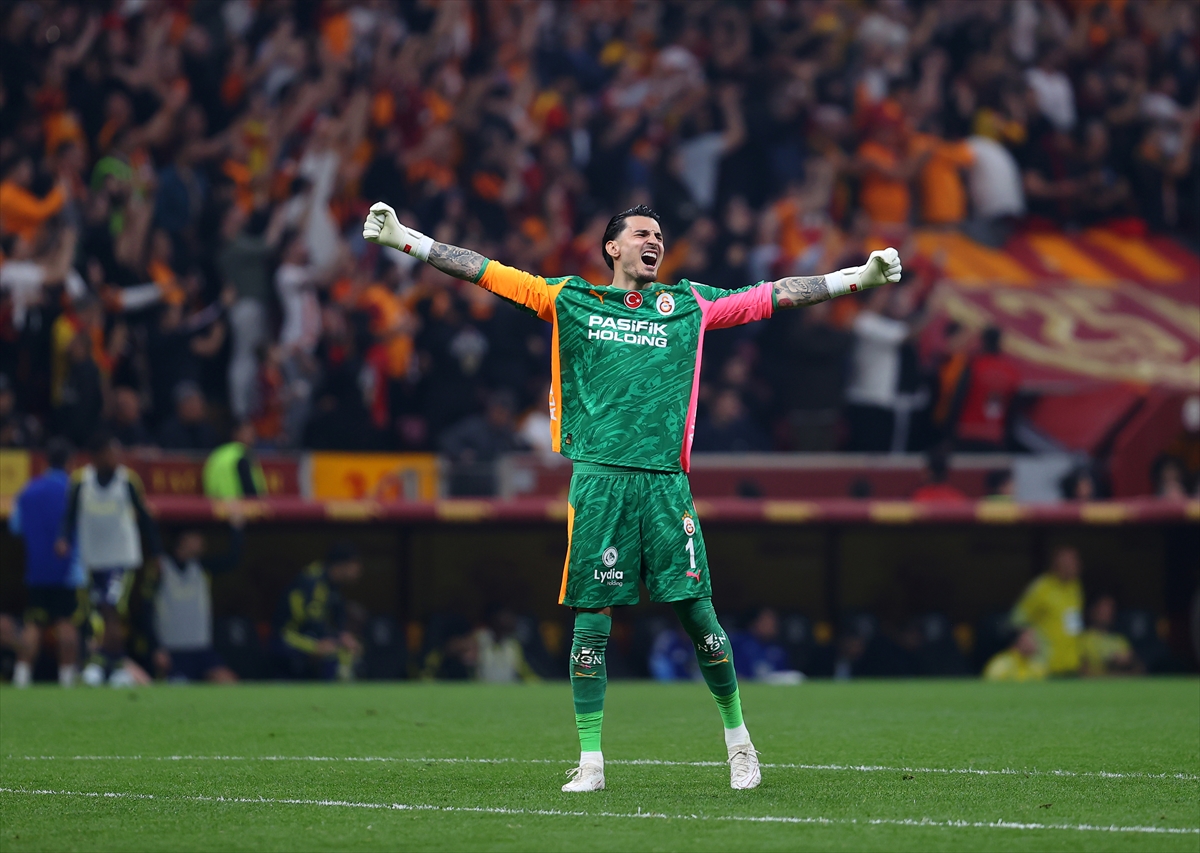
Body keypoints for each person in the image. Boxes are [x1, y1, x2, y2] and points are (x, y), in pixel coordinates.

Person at [364, 200, 903, 792]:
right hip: (598, 482)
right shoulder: (571, 299)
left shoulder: (688, 305)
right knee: (591, 621)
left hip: (665, 483)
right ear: (612, 248)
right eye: (642, 233)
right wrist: (404, 239)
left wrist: (858, 277)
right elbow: (485, 270)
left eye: (660, 236)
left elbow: (773, 294)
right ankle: (591, 763)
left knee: (699, 616)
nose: (655, 242)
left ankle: (741, 746)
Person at [56, 429, 163, 686]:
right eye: (111, 453)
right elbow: (69, 514)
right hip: (92, 559)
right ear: (97, 456)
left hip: (121, 558)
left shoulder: (127, 481)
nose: (117, 457)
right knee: (96, 614)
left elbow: (145, 518)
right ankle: (111, 664)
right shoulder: (81, 481)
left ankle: (105, 663)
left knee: (111, 609)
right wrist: (63, 538)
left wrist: (157, 552)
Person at [8, 438, 85, 687]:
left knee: (33, 623)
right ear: (70, 462)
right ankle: (66, 678)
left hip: (37, 570)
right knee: (66, 623)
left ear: (46, 461)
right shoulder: (73, 490)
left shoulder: (28, 490)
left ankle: (21, 676)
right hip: (67, 570)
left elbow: (15, 527)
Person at [149, 512, 245, 684]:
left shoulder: (200, 567)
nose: (202, 541)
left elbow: (232, 560)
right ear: (183, 539)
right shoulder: (162, 568)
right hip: (173, 650)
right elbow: (146, 610)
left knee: (228, 683)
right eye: (196, 536)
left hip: (201, 649)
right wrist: (155, 648)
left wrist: (236, 529)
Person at [273, 542, 363, 681]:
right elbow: (313, 622)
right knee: (332, 650)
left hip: (309, 635)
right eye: (355, 563)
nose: (359, 569)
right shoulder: (314, 582)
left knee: (349, 649)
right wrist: (335, 639)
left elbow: (337, 618)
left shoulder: (333, 584)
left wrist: (343, 636)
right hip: (288, 637)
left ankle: (344, 686)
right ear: (342, 565)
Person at [1010, 545, 1084, 676]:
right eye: (1067, 562)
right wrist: (1027, 634)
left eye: (1074, 562)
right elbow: (1017, 617)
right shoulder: (1042, 587)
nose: (1072, 566)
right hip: (1046, 667)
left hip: (1072, 665)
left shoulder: (1075, 587)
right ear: (1056, 564)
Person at [730, 607, 804, 684]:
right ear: (755, 622)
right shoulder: (739, 643)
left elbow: (784, 673)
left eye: (773, 621)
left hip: (771, 683)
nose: (772, 624)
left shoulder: (778, 648)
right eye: (767, 621)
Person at [1079, 595, 1143, 677]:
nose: (1107, 613)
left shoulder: (1120, 639)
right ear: (1093, 610)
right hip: (1097, 683)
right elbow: (1081, 671)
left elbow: (1139, 669)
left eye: (1110, 609)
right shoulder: (1083, 639)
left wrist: (1129, 662)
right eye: (1103, 609)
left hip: (1121, 682)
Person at [202, 421, 268, 499]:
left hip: (215, 504)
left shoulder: (217, 454)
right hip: (239, 504)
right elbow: (249, 490)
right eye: (248, 433)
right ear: (236, 433)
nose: (253, 437)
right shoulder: (241, 456)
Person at [983, 628, 1048, 682]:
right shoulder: (1002, 664)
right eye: (1030, 639)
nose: (1034, 642)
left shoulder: (1036, 665)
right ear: (1018, 641)